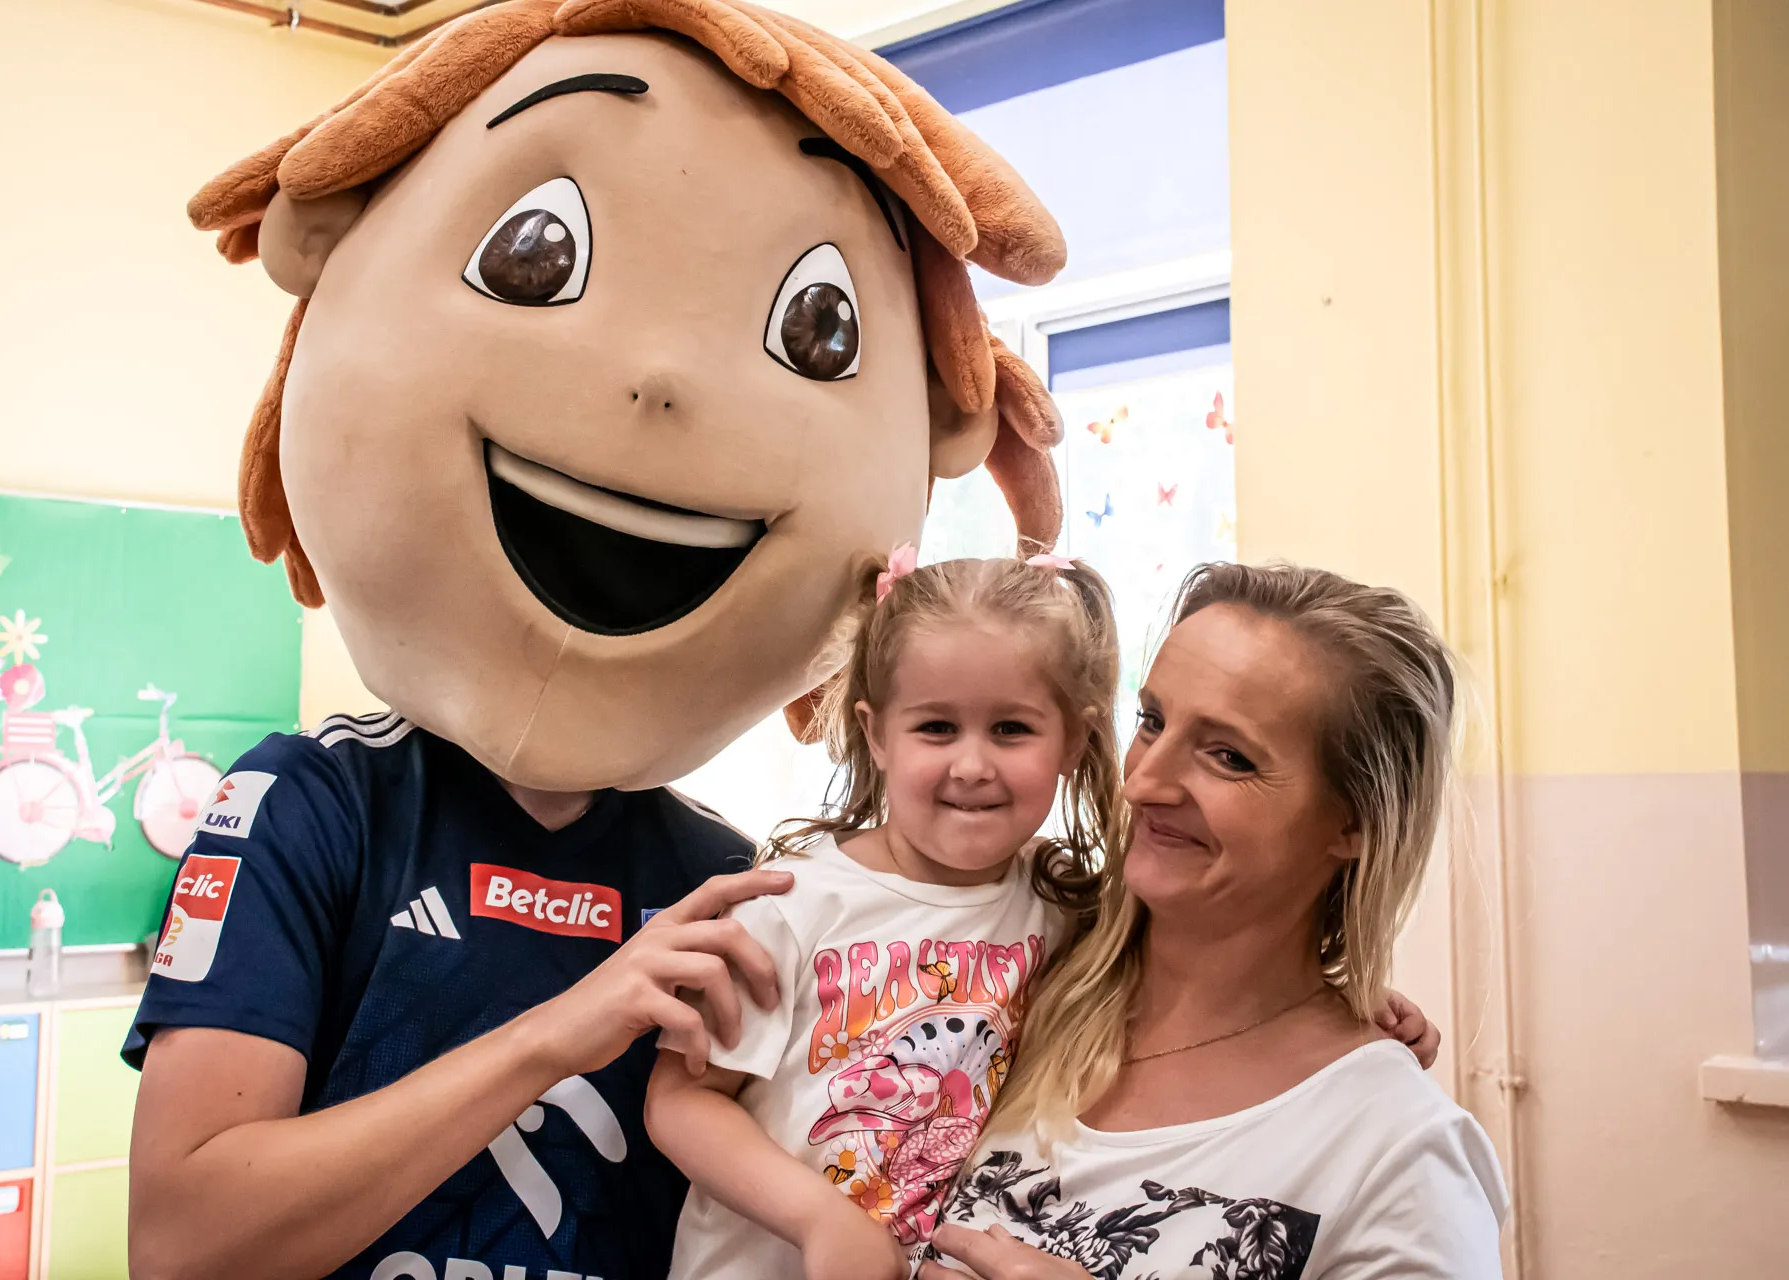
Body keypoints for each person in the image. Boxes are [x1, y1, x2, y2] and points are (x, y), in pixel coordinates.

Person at [122, 4, 1074, 1279]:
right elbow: (185, 1242)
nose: (661, 379)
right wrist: (559, 1032)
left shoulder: (724, 880)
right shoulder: (315, 807)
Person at [645, 556, 1442, 1280]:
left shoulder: (1060, 906)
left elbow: (1233, 970)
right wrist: (817, 1218)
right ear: (874, 732)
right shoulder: (788, 906)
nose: (971, 765)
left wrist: (1341, 1006)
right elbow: (679, 1098)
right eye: (936, 727)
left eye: (1012, 730)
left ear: (1074, 741)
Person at [921, 562, 1506, 1280]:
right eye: (1152, 722)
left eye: (1229, 757)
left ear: (1353, 823)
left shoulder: (1399, 1154)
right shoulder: (1010, 981)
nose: (1143, 782)